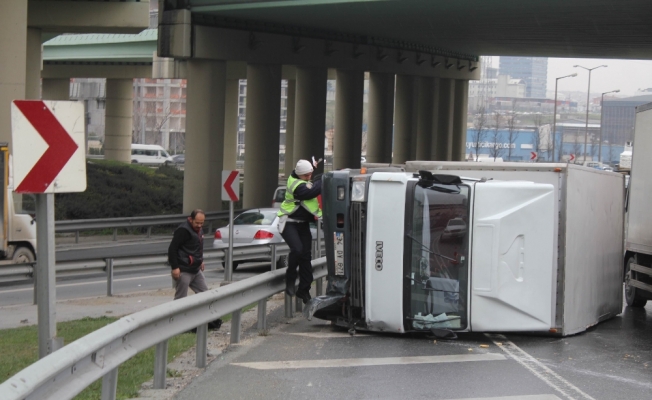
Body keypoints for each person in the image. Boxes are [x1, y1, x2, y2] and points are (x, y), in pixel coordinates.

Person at [168, 209, 222, 330]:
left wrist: (200, 260)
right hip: (183, 269)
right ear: (191, 219)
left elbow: (197, 247)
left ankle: (210, 320)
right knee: (181, 298)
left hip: (195, 269)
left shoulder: (199, 230)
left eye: (202, 223)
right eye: (197, 223)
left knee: (206, 295)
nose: (199, 225)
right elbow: (172, 249)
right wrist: (175, 268)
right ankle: (176, 324)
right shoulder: (183, 230)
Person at [278, 159, 322, 304]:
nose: (309, 177)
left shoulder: (303, 178)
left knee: (305, 256)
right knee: (297, 250)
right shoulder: (296, 186)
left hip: (303, 224)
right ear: (299, 174)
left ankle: (304, 290)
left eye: (310, 175)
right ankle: (290, 278)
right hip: (289, 222)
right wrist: (324, 179)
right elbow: (313, 190)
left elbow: (311, 181)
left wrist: (316, 173)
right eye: (306, 176)